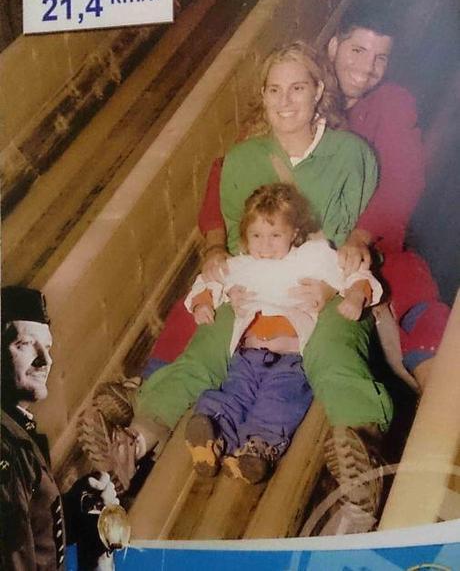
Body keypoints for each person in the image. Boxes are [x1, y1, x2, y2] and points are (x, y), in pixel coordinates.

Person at [80, 42, 392, 532]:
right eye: (274, 90)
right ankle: (136, 443)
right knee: (207, 346)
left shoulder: (350, 155)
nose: (285, 101)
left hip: (321, 286)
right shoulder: (243, 160)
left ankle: (359, 456)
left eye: (297, 88)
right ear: (263, 97)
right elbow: (231, 240)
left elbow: (357, 236)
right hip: (256, 288)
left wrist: (342, 283)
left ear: (319, 93)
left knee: (334, 351)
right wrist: (218, 283)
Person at [191, 3, 450, 392]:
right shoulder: (292, 97)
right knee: (218, 284)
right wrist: (214, 245)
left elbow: (402, 181)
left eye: (381, 57)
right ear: (333, 47)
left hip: (363, 244)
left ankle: (439, 400)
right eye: (357, 51)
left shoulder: (391, 104)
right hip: (288, 249)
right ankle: (154, 384)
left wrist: (362, 236)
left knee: (409, 287)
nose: (366, 68)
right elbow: (225, 173)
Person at [185, 183, 382, 484]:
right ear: (245, 237)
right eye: (256, 236)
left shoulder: (312, 258)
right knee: (233, 392)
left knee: (280, 399)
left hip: (291, 359)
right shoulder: (241, 265)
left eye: (275, 235)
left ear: (294, 232)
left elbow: (355, 274)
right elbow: (207, 283)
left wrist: (355, 295)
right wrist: (202, 304)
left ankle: (258, 449)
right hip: (247, 355)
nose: (264, 245)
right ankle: (210, 435)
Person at [0, 286, 121, 570]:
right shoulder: (5, 446)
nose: (46, 360)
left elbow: (30, 526)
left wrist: (77, 507)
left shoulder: (16, 430)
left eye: (48, 346)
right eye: (26, 344)